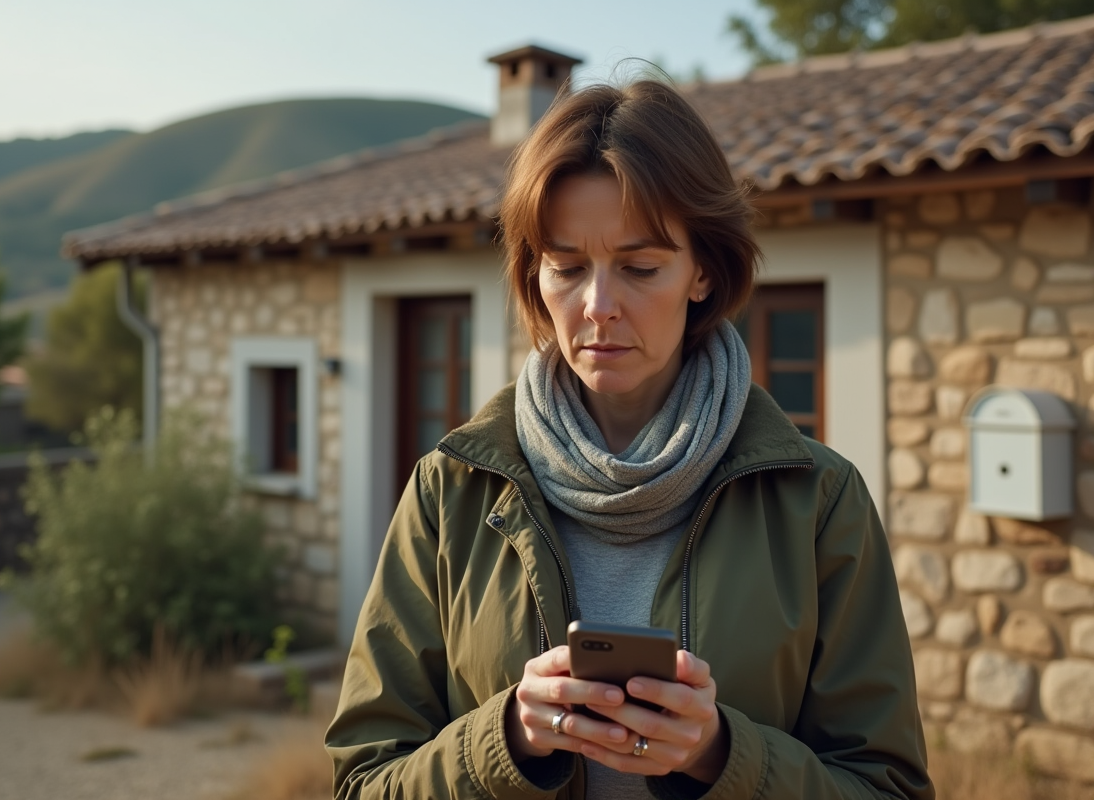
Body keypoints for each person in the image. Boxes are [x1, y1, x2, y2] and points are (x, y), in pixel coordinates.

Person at [326, 78, 932, 800]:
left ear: (703, 271)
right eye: (568, 267)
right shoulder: (448, 489)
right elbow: (363, 782)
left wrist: (721, 755)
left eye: (641, 268)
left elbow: (888, 788)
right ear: (532, 275)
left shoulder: (821, 502)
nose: (600, 307)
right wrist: (507, 741)